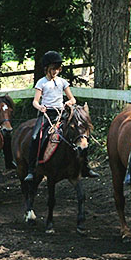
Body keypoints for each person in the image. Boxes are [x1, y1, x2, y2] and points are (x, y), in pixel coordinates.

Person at [24, 50, 99, 181]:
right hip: (47, 114)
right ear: (47, 68)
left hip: (62, 113)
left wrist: (68, 103)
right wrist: (40, 107)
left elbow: (73, 99)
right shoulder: (41, 83)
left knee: (80, 134)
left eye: (57, 69)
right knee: (36, 137)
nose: (55, 72)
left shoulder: (62, 82)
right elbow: (35, 101)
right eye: (53, 69)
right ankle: (32, 169)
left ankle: (85, 167)